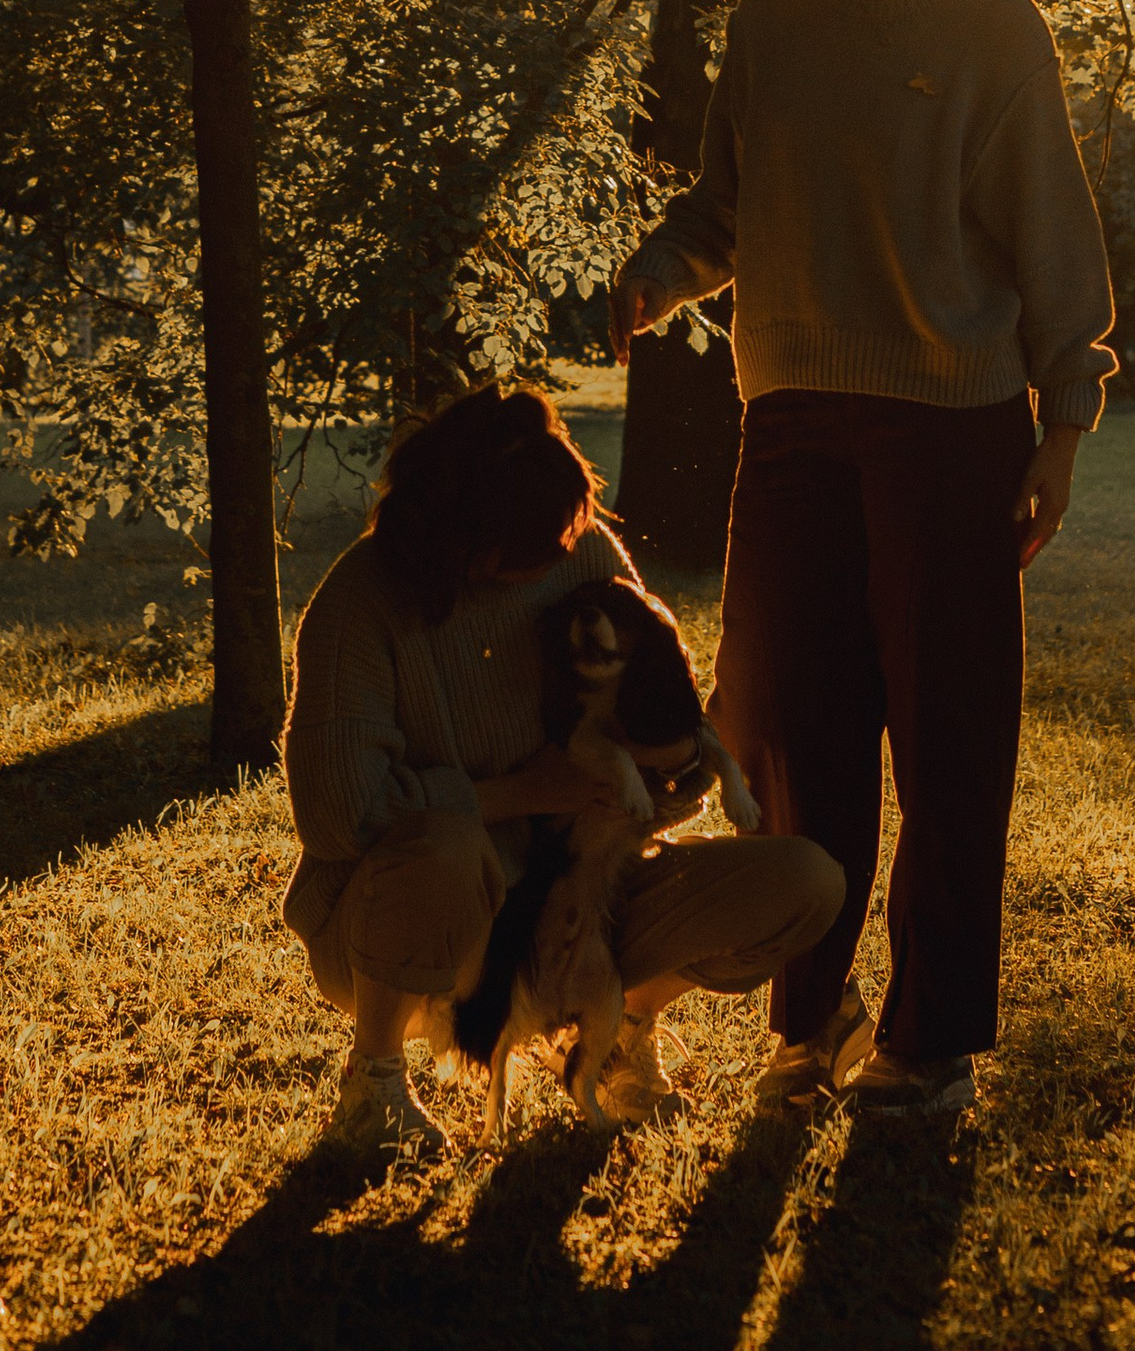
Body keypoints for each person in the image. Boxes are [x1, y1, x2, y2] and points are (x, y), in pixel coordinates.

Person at [608, 0, 1116, 1122]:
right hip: (789, 423)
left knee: (949, 740)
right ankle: (808, 1018)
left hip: (950, 426)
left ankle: (931, 1041)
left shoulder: (994, 29)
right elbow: (725, 205)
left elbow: (1055, 244)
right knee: (789, 734)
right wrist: (660, 272)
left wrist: (1064, 427)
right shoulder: (773, 18)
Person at [283, 382, 845, 1160]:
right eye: (541, 546)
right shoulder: (360, 604)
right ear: (468, 539)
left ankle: (616, 1026)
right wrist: (517, 793)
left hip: (584, 894)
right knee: (447, 846)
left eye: (569, 533)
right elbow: (338, 815)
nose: (564, 556)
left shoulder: (578, 549)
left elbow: (663, 715)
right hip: (421, 921)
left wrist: (675, 762)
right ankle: (375, 1083)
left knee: (805, 881)